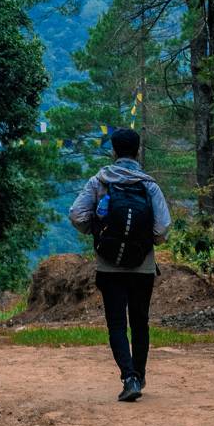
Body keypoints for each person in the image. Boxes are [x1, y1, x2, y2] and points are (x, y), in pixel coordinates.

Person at [69, 127, 171, 402]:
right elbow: (163, 227)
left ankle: (129, 378)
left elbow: (76, 214)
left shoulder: (99, 181)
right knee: (140, 322)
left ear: (114, 151)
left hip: (109, 266)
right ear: (137, 151)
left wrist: (97, 231)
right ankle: (139, 373)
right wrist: (146, 241)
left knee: (116, 323)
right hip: (143, 266)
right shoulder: (149, 185)